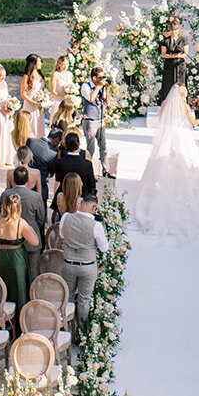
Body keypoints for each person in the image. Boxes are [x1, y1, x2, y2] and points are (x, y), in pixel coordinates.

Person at [133, 84, 199, 236]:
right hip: (181, 136)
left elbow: (161, 120)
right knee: (184, 163)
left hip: (167, 135)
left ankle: (154, 201)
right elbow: (193, 123)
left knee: (163, 164)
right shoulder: (184, 106)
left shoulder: (164, 104)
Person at [60, 173, 109, 329]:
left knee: (67, 297)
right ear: (94, 208)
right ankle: (81, 330)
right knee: (84, 299)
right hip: (87, 266)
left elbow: (62, 235)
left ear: (80, 203)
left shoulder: (66, 217)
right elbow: (104, 248)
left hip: (68, 263)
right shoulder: (96, 226)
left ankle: (66, 326)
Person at [0, 191, 39, 326]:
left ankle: (4, 319)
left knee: (3, 287)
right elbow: (35, 242)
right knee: (19, 288)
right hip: (16, 258)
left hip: (1, 256)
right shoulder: (20, 223)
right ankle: (20, 321)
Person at [0, 166, 47, 260]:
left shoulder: (5, 195)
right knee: (33, 270)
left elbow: (0, 214)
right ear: (28, 180)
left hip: (10, 238)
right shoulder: (35, 196)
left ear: (13, 179)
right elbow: (41, 218)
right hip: (31, 240)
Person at [51, 131, 97, 206]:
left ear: (65, 145)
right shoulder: (87, 164)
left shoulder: (59, 163)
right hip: (82, 197)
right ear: (78, 144)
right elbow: (92, 184)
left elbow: (58, 178)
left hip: (64, 195)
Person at [80, 68, 111, 174]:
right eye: (100, 77)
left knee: (103, 146)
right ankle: (88, 171)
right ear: (94, 78)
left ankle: (106, 169)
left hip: (100, 119)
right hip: (90, 120)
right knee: (91, 147)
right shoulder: (85, 86)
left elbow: (107, 102)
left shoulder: (101, 87)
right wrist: (98, 86)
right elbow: (91, 98)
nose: (103, 79)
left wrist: (107, 89)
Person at [159, 16, 187, 104]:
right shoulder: (166, 41)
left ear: (178, 30)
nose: (174, 32)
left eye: (175, 30)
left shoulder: (183, 40)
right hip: (169, 65)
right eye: (172, 30)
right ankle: (168, 104)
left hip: (180, 66)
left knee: (180, 85)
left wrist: (178, 56)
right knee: (168, 85)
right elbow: (163, 54)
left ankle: (181, 104)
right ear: (170, 30)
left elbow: (185, 54)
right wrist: (172, 56)